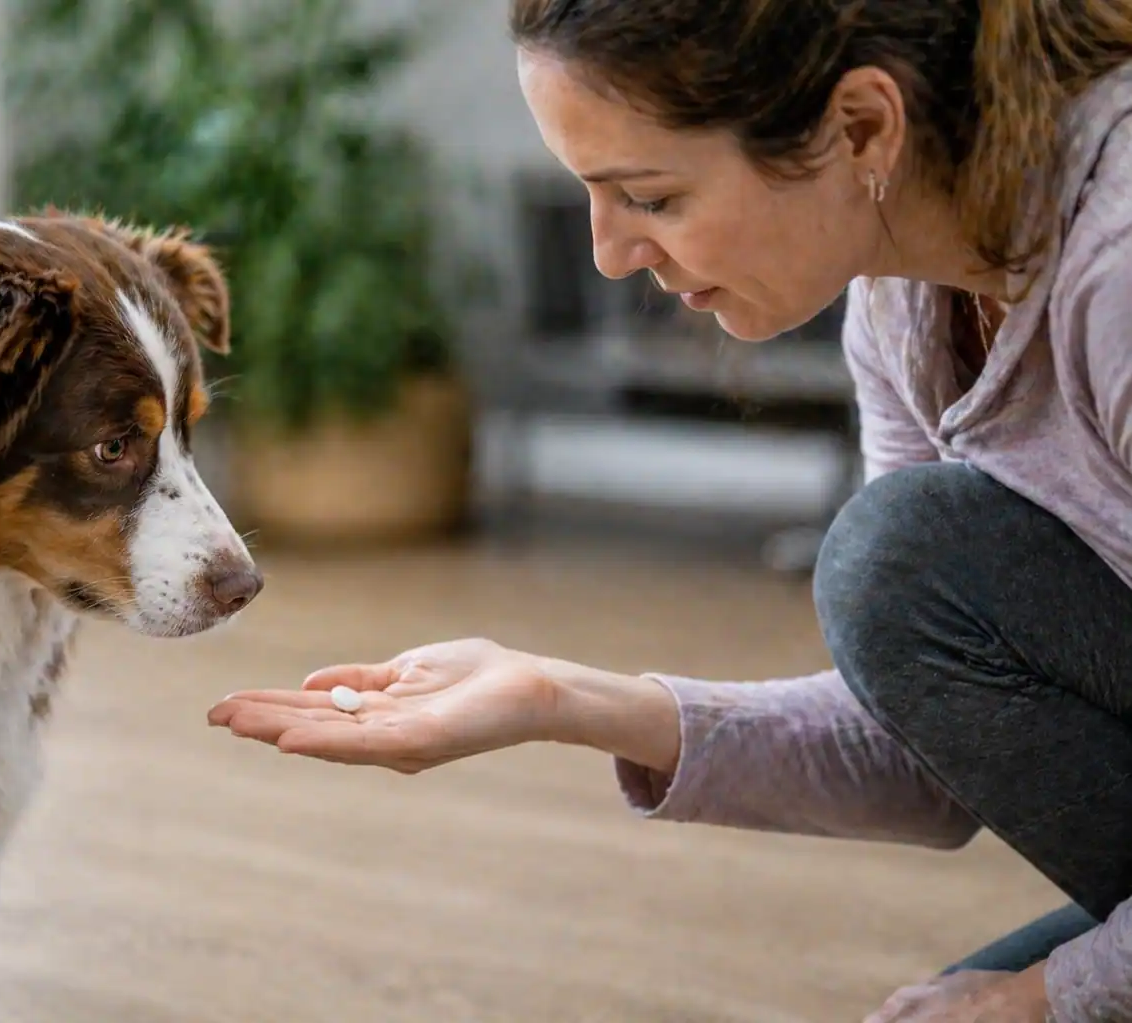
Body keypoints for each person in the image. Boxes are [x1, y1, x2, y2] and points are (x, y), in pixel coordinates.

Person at [207, 1, 1132, 1020]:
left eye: (647, 195)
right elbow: (925, 751)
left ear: (862, 127)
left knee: (895, 554)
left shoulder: (1116, 263)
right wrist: (556, 699)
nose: (610, 254)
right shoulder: (904, 304)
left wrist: (1038, 999)